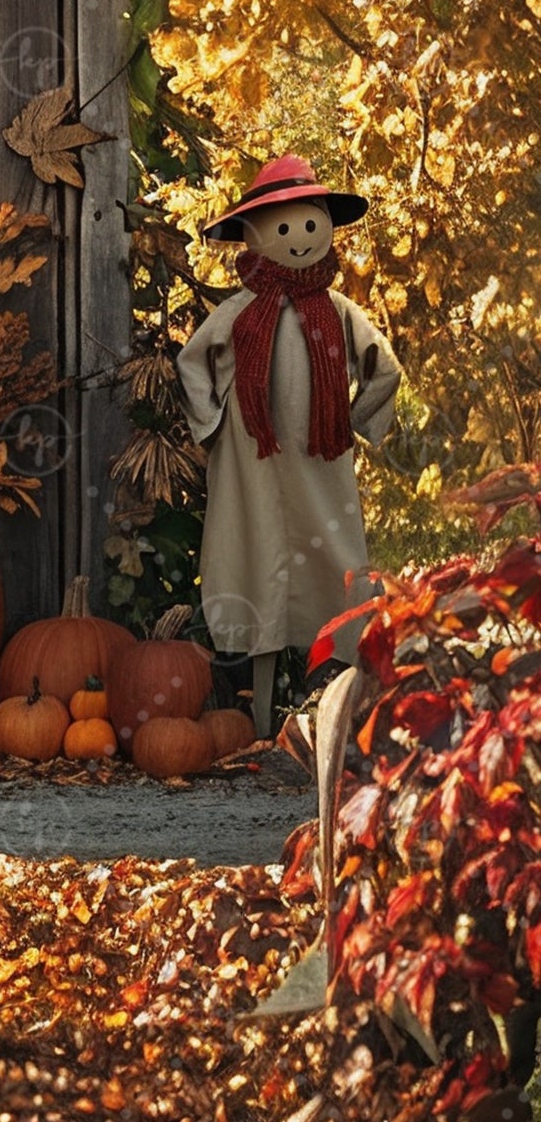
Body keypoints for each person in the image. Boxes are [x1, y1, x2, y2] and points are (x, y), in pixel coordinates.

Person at [177, 155, 402, 737]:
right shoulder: (237, 315)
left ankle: (341, 706)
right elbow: (192, 362)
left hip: (321, 460)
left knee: (334, 560)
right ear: (253, 235)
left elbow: (385, 367)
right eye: (282, 229)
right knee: (254, 556)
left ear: (326, 224)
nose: (298, 240)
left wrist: (352, 420)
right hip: (252, 460)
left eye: (307, 225)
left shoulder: (338, 312)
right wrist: (215, 425)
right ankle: (259, 717)